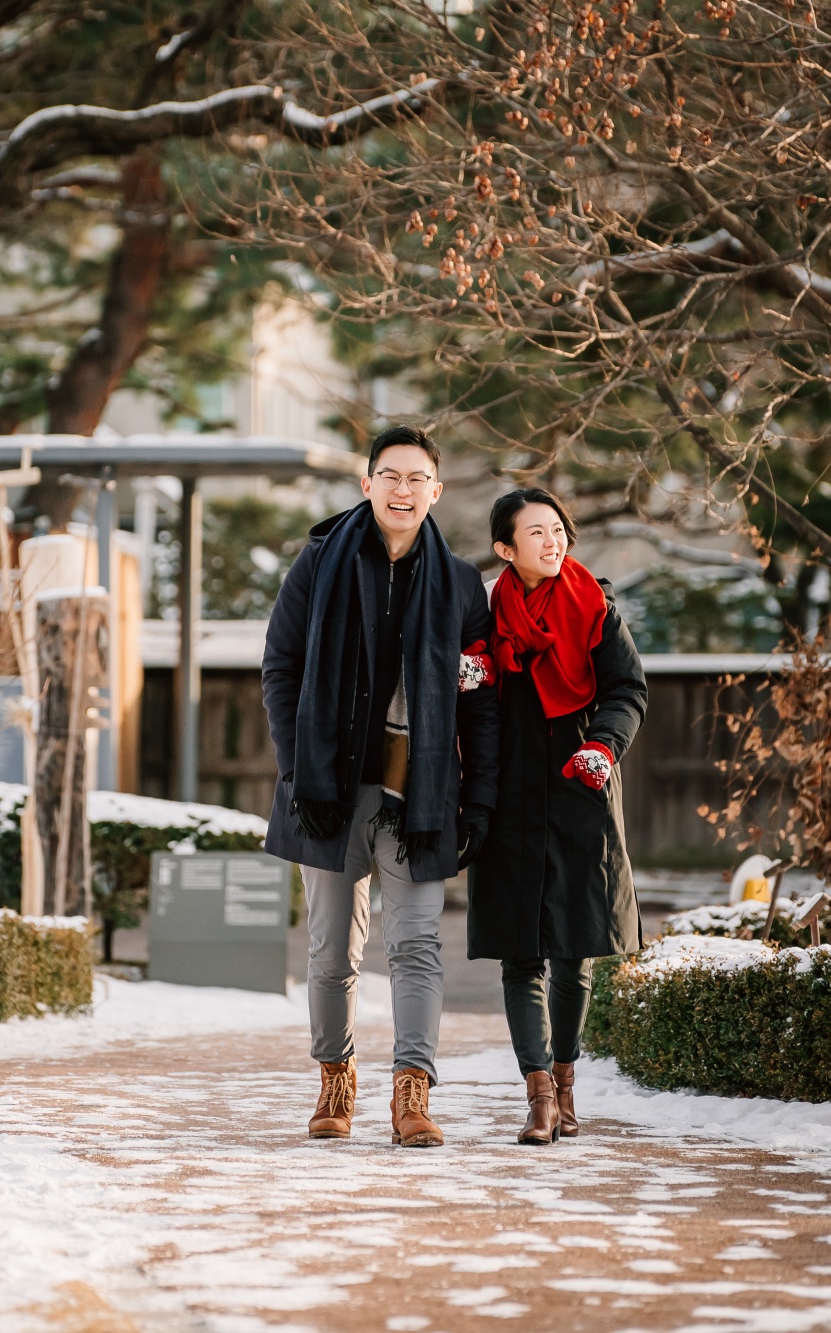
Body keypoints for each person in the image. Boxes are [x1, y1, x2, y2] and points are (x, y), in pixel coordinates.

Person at [262, 424, 500, 1148]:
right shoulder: (316, 565)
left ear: (436, 490)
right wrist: (300, 772)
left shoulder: (461, 584)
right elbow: (281, 669)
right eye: (389, 476)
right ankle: (336, 1078)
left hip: (418, 795)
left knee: (418, 946)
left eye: (416, 478)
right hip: (328, 791)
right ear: (367, 485)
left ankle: (411, 1092)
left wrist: (478, 799)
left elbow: (482, 698)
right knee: (333, 950)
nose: (403, 489)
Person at [471, 488, 647, 1145]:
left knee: (575, 950)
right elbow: (469, 685)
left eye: (558, 529)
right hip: (510, 793)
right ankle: (539, 1095)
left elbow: (629, 688)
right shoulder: (484, 611)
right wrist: (473, 674)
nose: (553, 541)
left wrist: (603, 744)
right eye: (536, 532)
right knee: (521, 954)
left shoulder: (595, 605)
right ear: (504, 549)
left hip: (581, 787)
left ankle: (567, 1086)